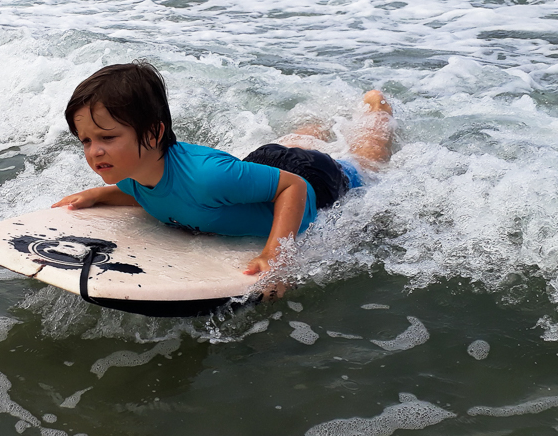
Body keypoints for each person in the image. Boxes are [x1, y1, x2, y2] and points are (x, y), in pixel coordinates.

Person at [52, 62, 395, 293]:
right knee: (290, 144)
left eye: (107, 138)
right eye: (86, 140)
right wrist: (99, 195)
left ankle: (376, 106)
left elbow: (294, 187)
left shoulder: (207, 178)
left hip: (311, 179)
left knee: (364, 162)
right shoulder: (132, 175)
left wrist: (277, 258)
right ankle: (318, 123)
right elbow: (152, 192)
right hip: (254, 170)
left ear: (154, 134)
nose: (94, 151)